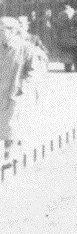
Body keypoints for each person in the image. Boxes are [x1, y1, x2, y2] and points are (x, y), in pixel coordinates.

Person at [1, 17, 38, 164]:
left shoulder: (25, 48)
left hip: (14, 92)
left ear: (13, 31)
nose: (2, 33)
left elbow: (33, 69)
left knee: (10, 125)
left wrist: (25, 86)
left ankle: (9, 155)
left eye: (3, 30)